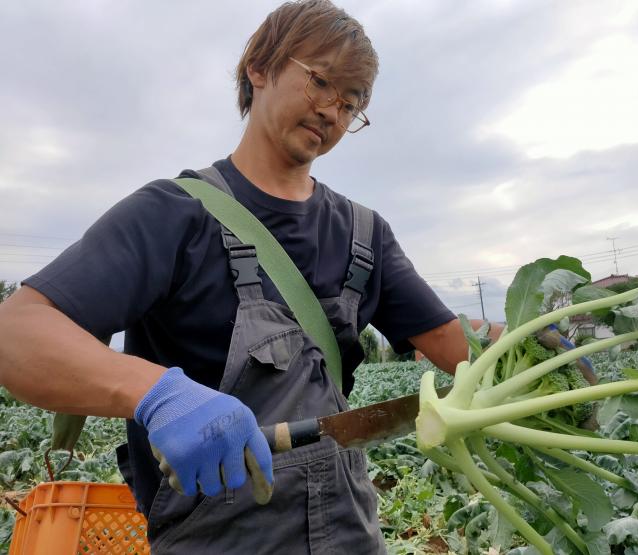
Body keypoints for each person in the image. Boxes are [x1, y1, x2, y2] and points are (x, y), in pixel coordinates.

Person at [0, 1, 501, 553]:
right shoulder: (174, 213)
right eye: (320, 82)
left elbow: (458, 352)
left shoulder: (365, 233)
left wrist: (520, 342)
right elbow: (17, 334)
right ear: (258, 68)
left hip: (351, 534)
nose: (333, 111)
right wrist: (156, 393)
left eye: (351, 103)